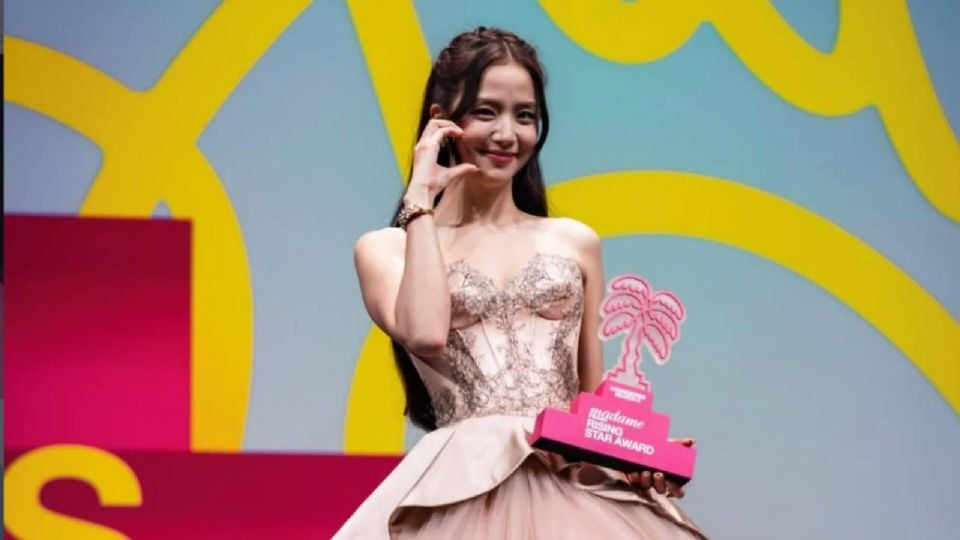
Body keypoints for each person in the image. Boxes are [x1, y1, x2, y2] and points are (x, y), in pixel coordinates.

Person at [336, 27, 706, 539]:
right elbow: (425, 333)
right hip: (461, 494)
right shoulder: (386, 249)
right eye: (486, 112)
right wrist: (420, 200)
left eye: (525, 116)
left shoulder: (575, 241)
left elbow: (591, 403)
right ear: (441, 120)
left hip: (571, 499)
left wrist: (637, 456)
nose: (507, 134)